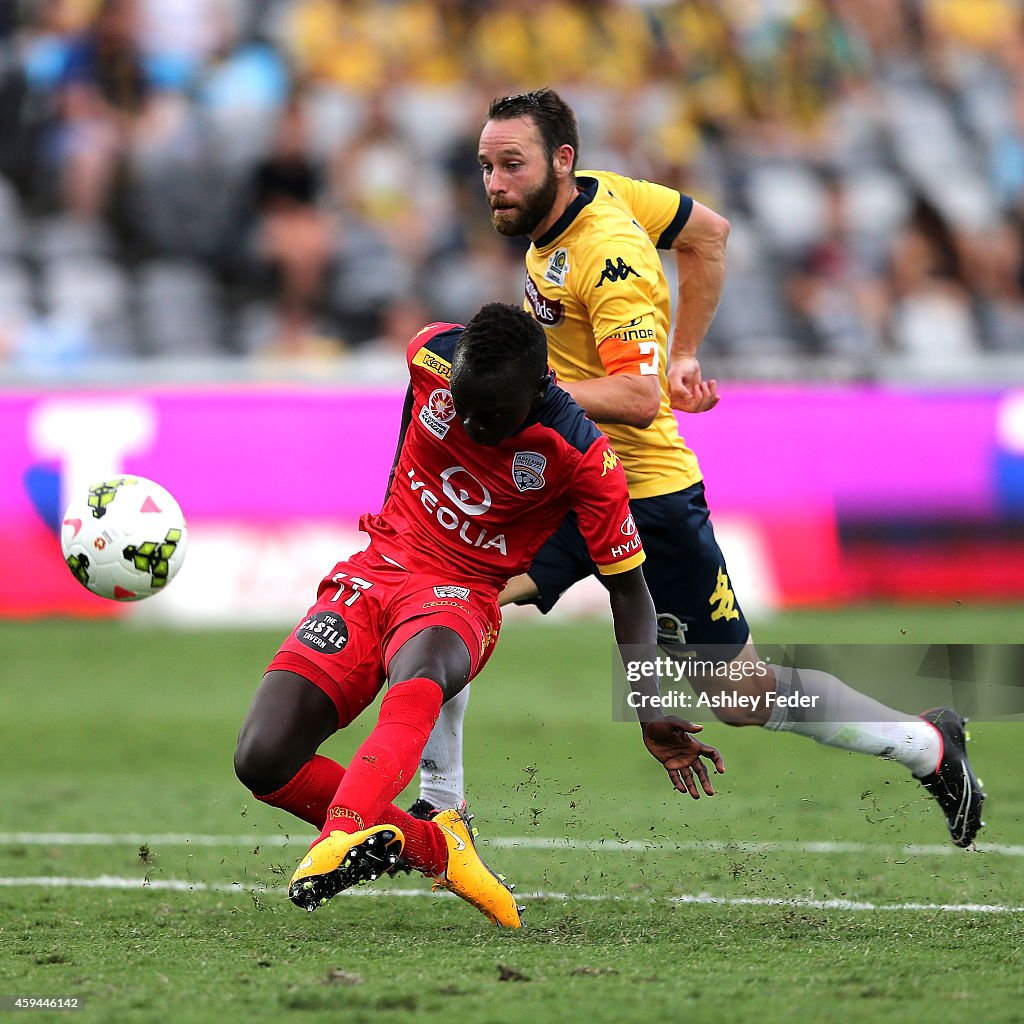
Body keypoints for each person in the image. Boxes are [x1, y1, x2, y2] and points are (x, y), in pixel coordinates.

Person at [409, 87, 985, 850]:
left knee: (739, 697)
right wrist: (686, 351)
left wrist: (518, 391)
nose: (494, 183)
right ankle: (440, 811)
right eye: (486, 166)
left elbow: (638, 399)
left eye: (511, 165)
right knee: (448, 592)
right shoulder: (597, 195)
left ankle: (929, 747)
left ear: (561, 160)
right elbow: (708, 233)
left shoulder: (607, 253)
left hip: (645, 497)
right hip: (565, 477)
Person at [233, 301, 726, 927]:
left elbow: (629, 591)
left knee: (426, 662)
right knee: (261, 758)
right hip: (378, 566)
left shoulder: (583, 455)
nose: (469, 424)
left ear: (538, 389)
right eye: (460, 407)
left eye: (490, 416)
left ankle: (344, 832)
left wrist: (648, 706)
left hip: (463, 593)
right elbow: (417, 409)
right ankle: (436, 844)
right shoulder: (429, 354)